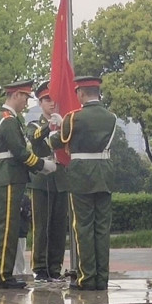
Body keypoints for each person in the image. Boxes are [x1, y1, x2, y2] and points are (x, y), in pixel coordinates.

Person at [49, 76, 117, 291]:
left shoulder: (73, 117)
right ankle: (102, 278)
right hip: (104, 174)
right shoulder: (111, 117)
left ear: (81, 93)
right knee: (102, 228)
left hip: (81, 176)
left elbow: (57, 141)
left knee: (84, 227)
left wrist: (54, 130)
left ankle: (87, 278)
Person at [0, 79, 56, 289]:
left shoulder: (8, 118)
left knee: (10, 227)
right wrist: (42, 165)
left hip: (11, 177)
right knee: (7, 227)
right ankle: (2, 275)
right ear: (16, 95)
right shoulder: (8, 120)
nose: (26, 102)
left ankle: (5, 274)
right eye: (25, 97)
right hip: (8, 177)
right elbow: (20, 153)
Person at [26, 81, 69, 282]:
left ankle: (55, 267)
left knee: (59, 227)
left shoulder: (62, 125)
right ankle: (40, 267)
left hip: (61, 180)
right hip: (41, 182)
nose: (51, 103)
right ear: (40, 102)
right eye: (47, 100)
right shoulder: (34, 124)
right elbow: (34, 138)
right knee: (41, 227)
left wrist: (62, 126)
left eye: (53, 100)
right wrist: (49, 126)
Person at [13, 193, 32, 277]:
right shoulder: (9, 195)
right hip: (12, 229)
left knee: (20, 252)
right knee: (18, 252)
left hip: (21, 230)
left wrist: (23, 210)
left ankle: (20, 272)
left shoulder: (25, 198)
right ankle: (19, 272)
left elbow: (28, 213)